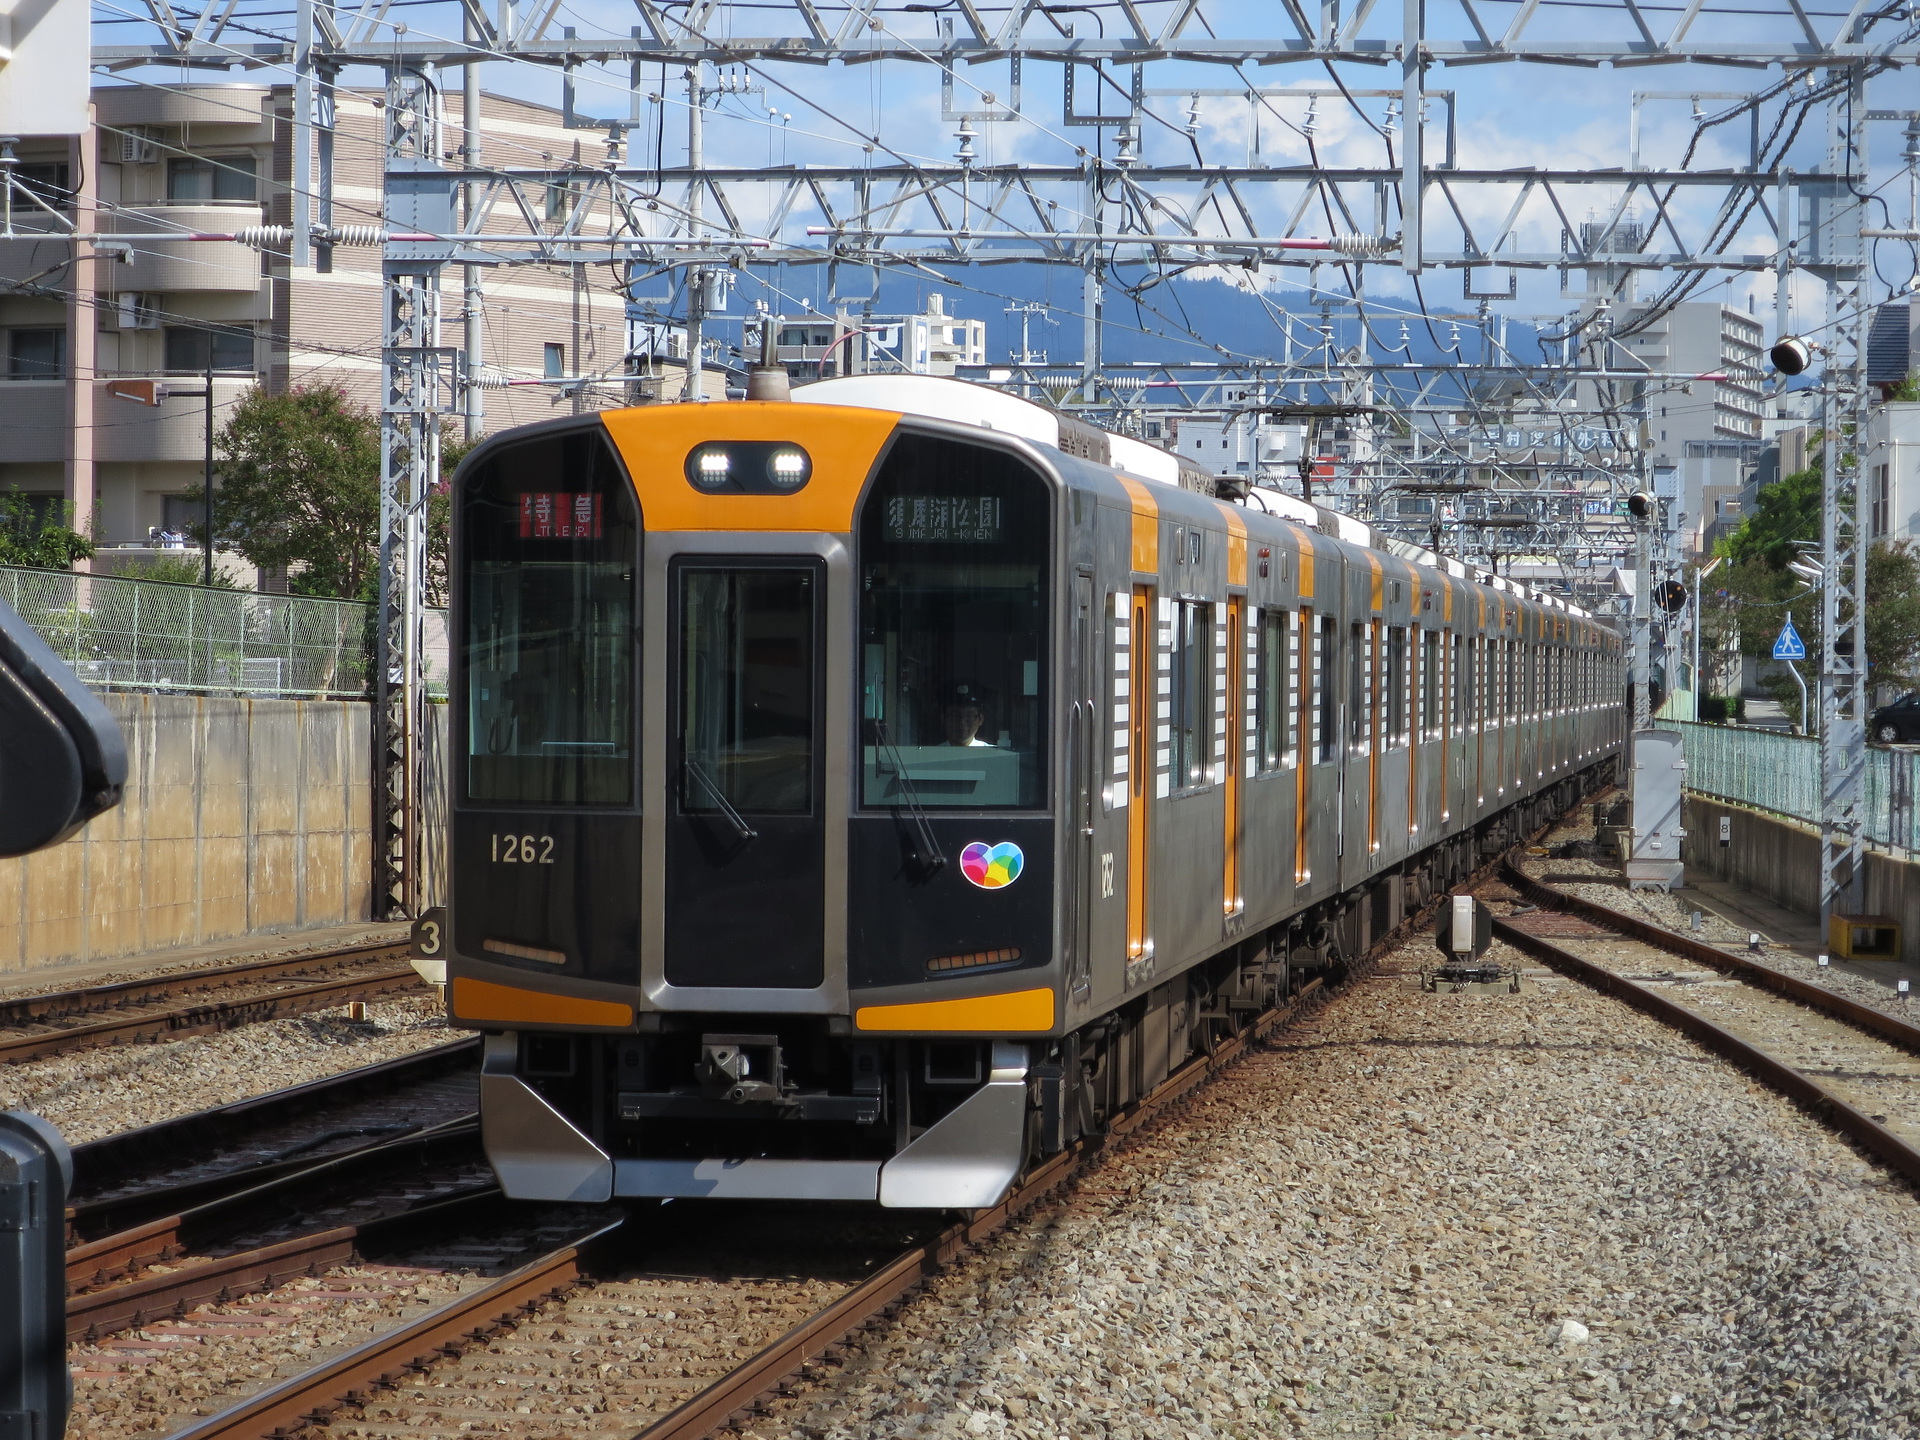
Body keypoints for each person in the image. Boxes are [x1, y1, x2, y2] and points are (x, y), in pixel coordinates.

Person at [939, 681, 997, 747]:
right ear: (943, 718)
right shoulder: (931, 754)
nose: (962, 722)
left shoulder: (992, 753)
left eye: (969, 716)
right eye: (955, 716)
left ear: (981, 719)